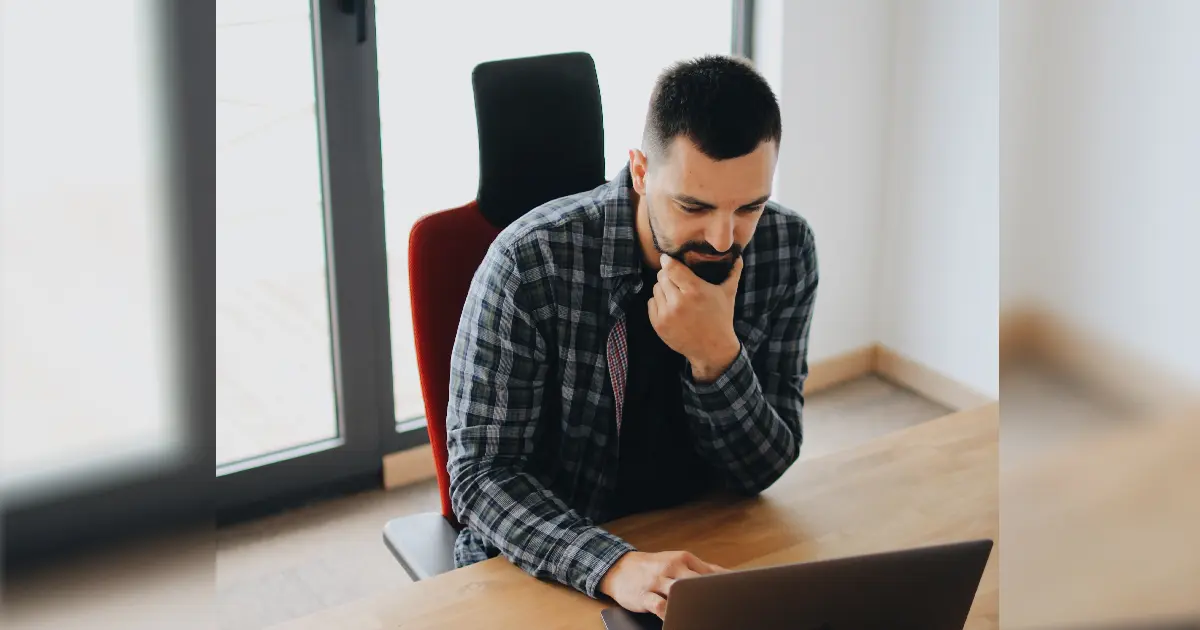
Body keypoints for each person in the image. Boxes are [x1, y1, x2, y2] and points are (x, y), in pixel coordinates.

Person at [445, 54, 818, 619]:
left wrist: (717, 356)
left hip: (700, 548)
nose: (722, 238)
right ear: (641, 172)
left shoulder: (787, 249)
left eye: (749, 207)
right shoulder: (530, 264)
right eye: (693, 205)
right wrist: (614, 565)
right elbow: (480, 478)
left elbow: (762, 470)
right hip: (551, 563)